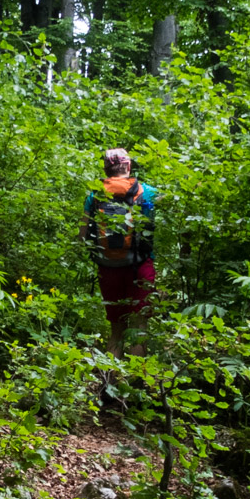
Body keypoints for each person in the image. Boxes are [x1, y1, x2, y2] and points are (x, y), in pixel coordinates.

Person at [82, 148, 157, 354]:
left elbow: (82, 235)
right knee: (139, 327)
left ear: (106, 169)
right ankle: (136, 381)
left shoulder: (94, 196)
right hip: (140, 266)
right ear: (128, 166)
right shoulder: (147, 192)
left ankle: (110, 381)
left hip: (107, 267)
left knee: (116, 329)